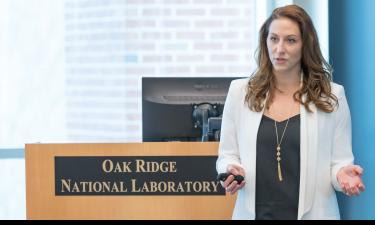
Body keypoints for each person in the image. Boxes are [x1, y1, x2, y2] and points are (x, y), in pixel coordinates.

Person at [216, 4, 365, 220]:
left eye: (290, 40)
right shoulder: (240, 93)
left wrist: (342, 174)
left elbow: (339, 162)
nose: (280, 49)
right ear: (265, 41)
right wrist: (231, 170)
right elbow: (227, 154)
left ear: (305, 45)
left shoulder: (331, 96)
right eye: (274, 39)